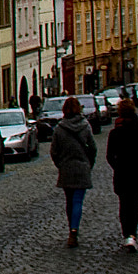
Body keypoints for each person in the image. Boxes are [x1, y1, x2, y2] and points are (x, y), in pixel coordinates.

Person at [51, 95, 98, 248]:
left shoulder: (59, 129)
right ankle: (74, 230)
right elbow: (93, 148)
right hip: (82, 168)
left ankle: (71, 228)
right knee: (78, 201)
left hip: (66, 168)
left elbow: (54, 151)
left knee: (69, 201)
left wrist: (60, 164)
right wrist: (88, 164)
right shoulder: (85, 126)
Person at [107, 96, 138, 251]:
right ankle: (132, 234)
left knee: (124, 206)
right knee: (134, 206)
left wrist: (117, 166)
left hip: (122, 173)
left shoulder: (115, 133)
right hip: (137, 173)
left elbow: (109, 155)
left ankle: (127, 235)